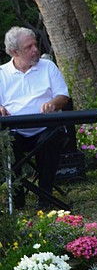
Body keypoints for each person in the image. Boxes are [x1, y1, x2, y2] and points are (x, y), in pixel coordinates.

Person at [0, 27, 70, 209]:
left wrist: (53, 104)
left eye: (35, 44)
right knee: (5, 143)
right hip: (14, 130)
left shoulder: (48, 67)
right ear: (14, 52)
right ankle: (16, 199)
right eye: (28, 47)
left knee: (52, 138)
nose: (35, 50)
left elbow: (63, 96)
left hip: (44, 128)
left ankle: (44, 197)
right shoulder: (2, 73)